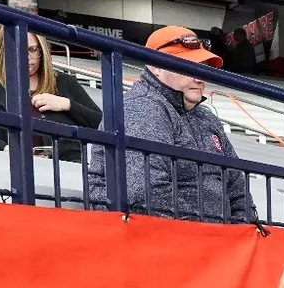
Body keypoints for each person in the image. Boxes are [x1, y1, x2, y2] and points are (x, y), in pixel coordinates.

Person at [84, 26, 258, 223]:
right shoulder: (141, 106)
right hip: (153, 238)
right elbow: (145, 191)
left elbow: (237, 186)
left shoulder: (207, 118)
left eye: (203, 66)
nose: (200, 77)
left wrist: (243, 231)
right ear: (156, 66)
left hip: (210, 241)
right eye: (189, 66)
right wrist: (211, 234)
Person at [0, 27, 101, 162]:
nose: (27, 57)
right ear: (2, 50)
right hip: (2, 171)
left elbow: (102, 125)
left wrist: (68, 105)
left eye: (33, 49)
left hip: (67, 172)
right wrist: (2, 147)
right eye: (18, 49)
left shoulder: (64, 82)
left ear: (42, 50)